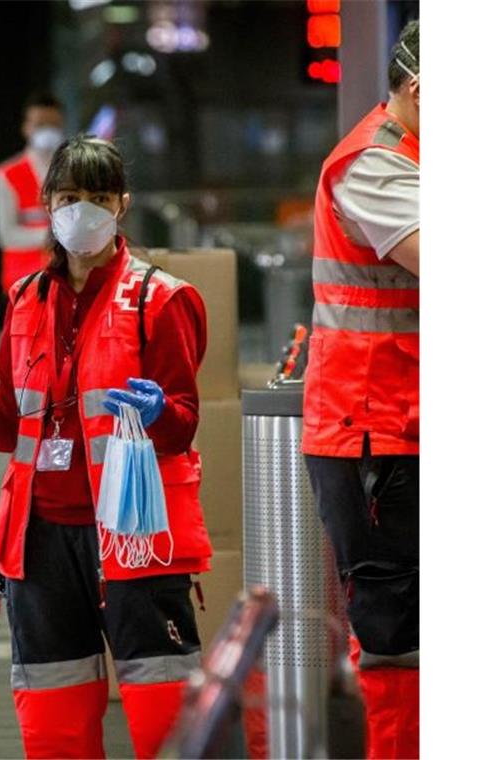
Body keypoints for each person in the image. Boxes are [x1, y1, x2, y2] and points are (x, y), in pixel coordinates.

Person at [0, 136, 213, 759]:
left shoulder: (161, 300)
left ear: (122, 205)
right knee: (53, 723)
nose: (83, 210)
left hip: (134, 537)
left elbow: (182, 423)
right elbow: (5, 423)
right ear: (47, 204)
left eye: (98, 197)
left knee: (165, 720)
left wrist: (160, 414)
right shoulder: (27, 300)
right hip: (40, 541)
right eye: (70, 197)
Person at [301, 19, 420, 760]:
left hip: (408, 421)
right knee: (396, 628)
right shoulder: (373, 167)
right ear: (416, 89)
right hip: (372, 426)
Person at [0, 92, 65, 295]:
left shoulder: (73, 171)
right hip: (23, 277)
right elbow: (6, 235)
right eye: (40, 124)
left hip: (68, 274)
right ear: (26, 127)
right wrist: (55, 236)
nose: (48, 131)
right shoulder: (7, 174)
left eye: (54, 124)